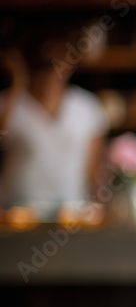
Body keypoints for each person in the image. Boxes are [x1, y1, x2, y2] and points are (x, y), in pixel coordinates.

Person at [0, 27, 109, 218]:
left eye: (59, 62)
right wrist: (18, 83)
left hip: (71, 214)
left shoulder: (87, 107)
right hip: (18, 214)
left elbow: (93, 173)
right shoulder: (8, 103)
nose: (51, 71)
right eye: (44, 64)